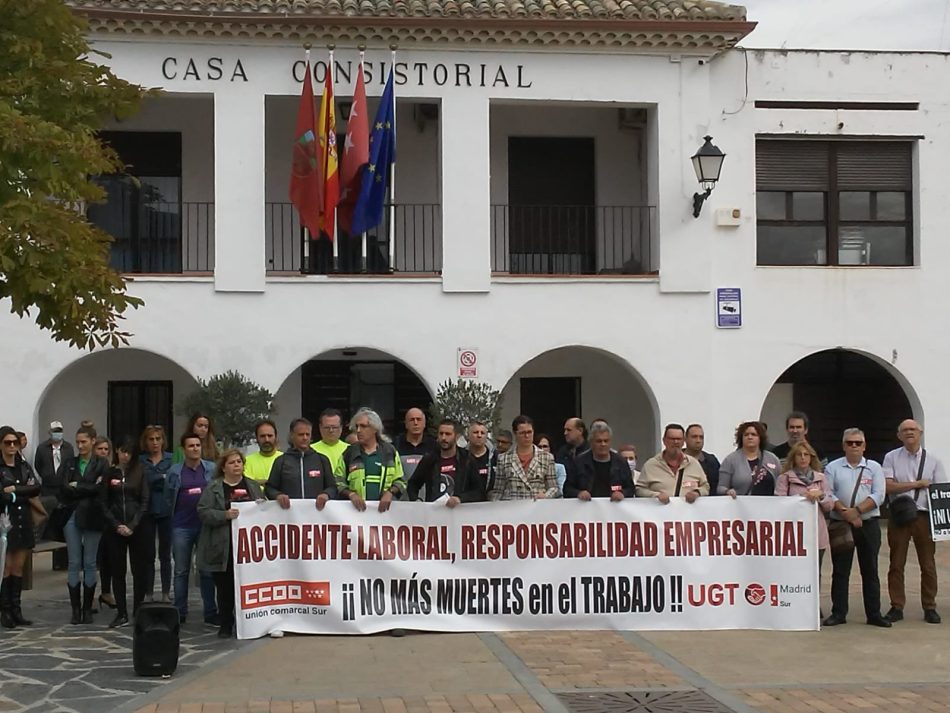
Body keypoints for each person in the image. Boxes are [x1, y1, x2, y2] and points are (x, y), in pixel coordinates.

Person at [823, 428, 890, 628]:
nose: (854, 446)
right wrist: (846, 512)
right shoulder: (833, 467)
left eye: (858, 443)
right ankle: (839, 612)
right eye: (850, 443)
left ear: (864, 446)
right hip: (841, 524)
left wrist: (858, 511)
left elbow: (879, 494)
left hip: (868, 524)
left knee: (870, 569)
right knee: (840, 570)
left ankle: (874, 613)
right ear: (843, 445)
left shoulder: (874, 467)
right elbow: (829, 493)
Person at [883, 419, 946, 624]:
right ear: (899, 435)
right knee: (896, 563)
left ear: (920, 433)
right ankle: (896, 606)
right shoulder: (891, 457)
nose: (909, 433)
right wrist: (917, 484)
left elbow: (940, 491)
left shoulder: (934, 461)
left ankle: (929, 606)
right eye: (905, 430)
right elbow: (888, 487)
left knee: (928, 564)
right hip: (899, 515)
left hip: (924, 516)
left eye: (913, 429)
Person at [196, 449, 263, 638]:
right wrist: (223, 515)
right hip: (222, 547)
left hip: (247, 546)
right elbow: (203, 511)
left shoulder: (252, 485)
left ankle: (249, 622)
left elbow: (262, 508)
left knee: (246, 586)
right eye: (232, 462)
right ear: (223, 467)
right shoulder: (214, 487)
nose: (237, 465)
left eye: (239, 462)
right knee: (224, 588)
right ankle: (226, 623)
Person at [57, 424, 108, 625]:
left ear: (93, 441)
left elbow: (101, 488)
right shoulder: (70, 463)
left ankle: (87, 608)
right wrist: (88, 488)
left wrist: (79, 487)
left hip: (93, 514)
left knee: (90, 562)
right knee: (73, 561)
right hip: (72, 513)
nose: (80, 445)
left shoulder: (101, 463)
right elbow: (63, 488)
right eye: (78, 442)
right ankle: (75, 609)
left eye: (84, 442)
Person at [166, 433, 218, 625]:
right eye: (191, 446)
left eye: (198, 445)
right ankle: (180, 611)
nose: (195, 448)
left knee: (206, 570)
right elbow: (168, 497)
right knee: (181, 570)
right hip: (181, 526)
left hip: (205, 526)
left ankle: (210, 611)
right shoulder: (174, 471)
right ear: (184, 449)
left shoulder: (211, 469)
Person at [101, 438, 150, 627]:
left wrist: (133, 524)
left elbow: (145, 501)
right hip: (115, 528)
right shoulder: (110, 473)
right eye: (122, 451)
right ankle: (121, 611)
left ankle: (138, 607)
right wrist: (116, 524)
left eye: (128, 452)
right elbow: (103, 502)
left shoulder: (140, 472)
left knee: (139, 570)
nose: (125, 456)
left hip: (136, 527)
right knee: (117, 570)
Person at [0, 425, 41, 629]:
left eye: (15, 442)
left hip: (23, 518)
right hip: (5, 519)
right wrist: (18, 494)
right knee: (6, 567)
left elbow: (35, 487)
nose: (12, 446)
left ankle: (17, 609)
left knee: (18, 567)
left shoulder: (23, 465)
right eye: (7, 442)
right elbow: (2, 495)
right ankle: (5, 610)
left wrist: (16, 490)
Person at [776, 441, 833, 571]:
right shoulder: (784, 478)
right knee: (794, 571)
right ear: (793, 458)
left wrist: (821, 496)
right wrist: (801, 498)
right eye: (799, 455)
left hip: (816, 533)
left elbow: (830, 505)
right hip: (794, 533)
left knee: (815, 572)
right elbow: (779, 504)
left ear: (811, 457)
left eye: (806, 454)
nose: (803, 458)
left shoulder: (821, 478)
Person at [336, 408, 405, 513]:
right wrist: (351, 494)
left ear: (375, 428)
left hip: (384, 514)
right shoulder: (349, 453)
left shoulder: (390, 452)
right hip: (355, 514)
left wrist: (390, 493)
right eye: (357, 426)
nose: (358, 430)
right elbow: (337, 481)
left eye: (363, 426)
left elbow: (401, 481)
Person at [266, 418, 337, 509]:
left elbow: (333, 487)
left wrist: (326, 494)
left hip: (317, 516)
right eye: (301, 434)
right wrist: (278, 495)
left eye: (308, 434)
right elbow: (269, 488)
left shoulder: (322, 460)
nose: (305, 438)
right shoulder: (281, 461)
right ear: (292, 435)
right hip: (289, 515)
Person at [33, 420, 74, 571]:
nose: (57, 433)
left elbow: (70, 464)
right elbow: (38, 464)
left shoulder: (68, 448)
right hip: (48, 488)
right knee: (48, 520)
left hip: (62, 489)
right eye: (55, 430)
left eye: (59, 430)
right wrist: (47, 475)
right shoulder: (42, 448)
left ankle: (62, 561)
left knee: (62, 522)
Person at [407, 420, 478, 505]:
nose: (444, 438)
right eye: (441, 434)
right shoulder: (429, 459)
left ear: (456, 436)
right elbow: (412, 484)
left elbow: (478, 492)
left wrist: (460, 499)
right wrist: (417, 501)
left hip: (460, 514)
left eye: (448, 434)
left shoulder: (467, 459)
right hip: (434, 514)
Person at [140, 425, 174, 603]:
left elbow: (172, 480)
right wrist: (160, 478)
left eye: (158, 439)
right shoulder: (141, 460)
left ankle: (166, 592)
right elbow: (144, 480)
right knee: (148, 555)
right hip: (147, 510)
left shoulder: (171, 458)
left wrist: (157, 479)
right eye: (151, 439)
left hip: (167, 510)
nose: (155, 443)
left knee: (165, 554)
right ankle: (148, 593)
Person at [489, 416, 560, 501]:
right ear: (515, 433)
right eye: (522, 433)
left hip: (536, 507)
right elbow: (498, 490)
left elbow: (554, 488)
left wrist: (546, 495)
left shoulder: (547, 457)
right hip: (511, 507)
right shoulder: (503, 458)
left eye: (529, 432)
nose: (527, 436)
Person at [563, 422, 634, 501]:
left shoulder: (621, 463)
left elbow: (631, 489)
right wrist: (578, 493)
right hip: (586, 509)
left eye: (606, 441)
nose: (603, 444)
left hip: (614, 509)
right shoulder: (578, 462)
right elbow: (567, 489)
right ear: (591, 442)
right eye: (599, 441)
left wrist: (622, 493)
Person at [637, 424, 708, 502]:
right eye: (672, 439)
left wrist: (696, 493)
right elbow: (639, 490)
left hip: (688, 513)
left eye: (679, 439)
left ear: (684, 441)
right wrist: (655, 495)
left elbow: (705, 487)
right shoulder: (650, 465)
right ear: (664, 440)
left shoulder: (694, 464)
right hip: (660, 512)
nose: (676, 442)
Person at [719, 421, 782, 497]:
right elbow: (720, 487)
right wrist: (727, 491)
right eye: (746, 435)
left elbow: (781, 484)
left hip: (769, 506)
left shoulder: (772, 459)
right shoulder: (730, 460)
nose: (750, 437)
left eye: (754, 434)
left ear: (760, 438)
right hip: (741, 506)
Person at [93, 437, 117, 613]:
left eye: (106, 449)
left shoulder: (113, 470)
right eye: (100, 449)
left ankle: (106, 592)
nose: (103, 452)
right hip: (92, 516)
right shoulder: (92, 469)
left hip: (109, 518)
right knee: (93, 559)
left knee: (108, 558)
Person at [684, 424, 721, 495]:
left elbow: (716, 486)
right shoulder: (676, 460)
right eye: (694, 437)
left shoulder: (711, 461)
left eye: (701, 437)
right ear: (685, 439)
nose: (698, 440)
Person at [243, 419, 282, 484]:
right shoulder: (247, 462)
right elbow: (247, 484)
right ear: (257, 438)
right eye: (262, 436)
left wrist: (259, 482)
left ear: (275, 437)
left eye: (270, 436)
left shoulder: (285, 459)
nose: (266, 439)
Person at [461, 421, 491, 503]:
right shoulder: (461, 457)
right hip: (464, 505)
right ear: (468, 435)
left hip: (489, 506)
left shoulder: (495, 458)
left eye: (482, 433)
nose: (479, 435)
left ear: (486, 437)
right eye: (475, 432)